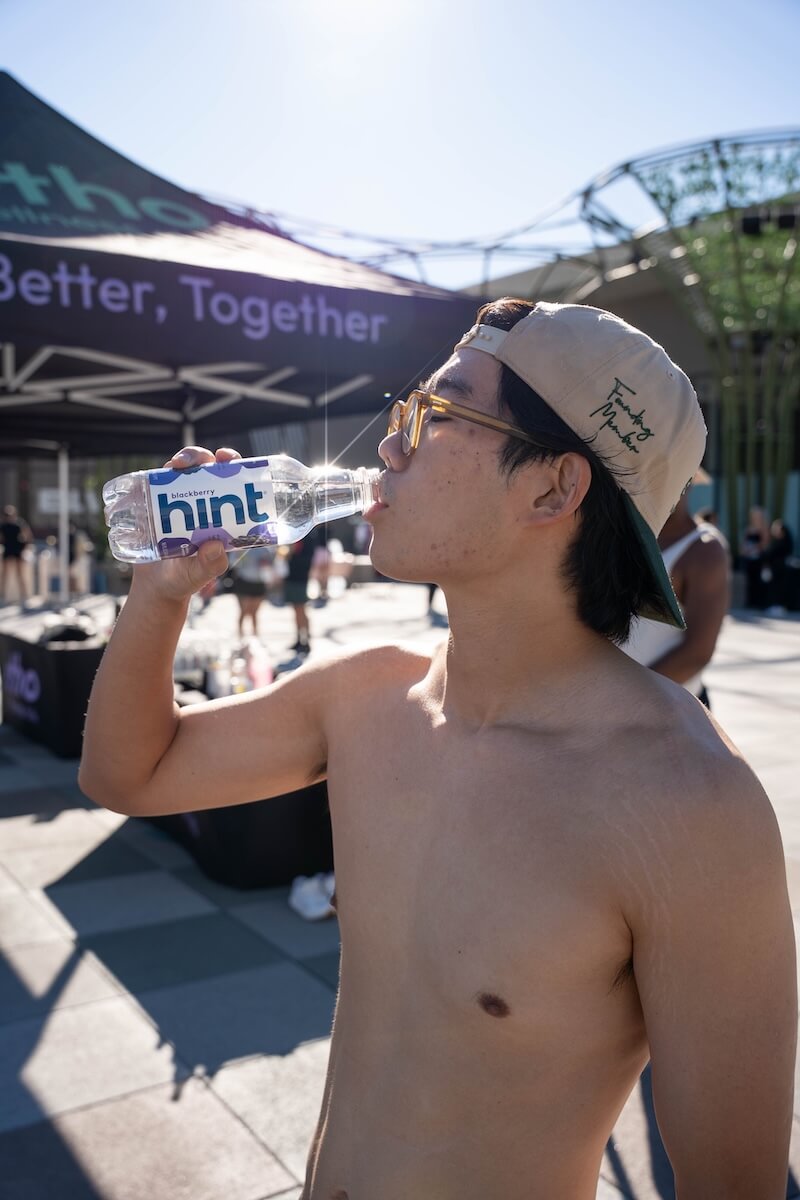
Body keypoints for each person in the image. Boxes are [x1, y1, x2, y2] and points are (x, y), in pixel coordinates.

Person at [79, 299, 796, 1200]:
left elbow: (734, 1184)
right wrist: (160, 595)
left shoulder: (688, 805)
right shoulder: (368, 695)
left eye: (437, 413)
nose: (389, 445)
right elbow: (127, 773)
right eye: (405, 409)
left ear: (554, 489)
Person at [621, 484, 730, 707]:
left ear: (689, 480)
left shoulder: (704, 550)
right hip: (613, 705)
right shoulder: (623, 538)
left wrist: (625, 700)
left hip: (666, 709)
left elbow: (697, 652)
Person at [230, 543, 275, 638]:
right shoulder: (241, 547)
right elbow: (233, 563)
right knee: (243, 611)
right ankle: (241, 635)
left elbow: (271, 563)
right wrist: (240, 558)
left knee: (255, 612)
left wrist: (266, 563)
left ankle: (255, 635)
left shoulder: (265, 548)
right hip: (244, 581)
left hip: (259, 582)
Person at [740, 505, 770, 608]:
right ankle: (750, 602)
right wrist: (745, 550)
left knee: (758, 580)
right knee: (750, 580)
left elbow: (765, 543)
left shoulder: (764, 528)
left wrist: (754, 548)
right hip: (749, 558)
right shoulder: (749, 528)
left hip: (759, 558)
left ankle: (759, 602)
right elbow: (744, 542)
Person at [0, 504, 32, 602]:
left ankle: (24, 596)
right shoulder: (3, 526)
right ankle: (2, 596)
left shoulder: (19, 524)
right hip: (8, 550)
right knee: (5, 575)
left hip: (17, 551)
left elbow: (28, 536)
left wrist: (25, 548)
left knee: (20, 575)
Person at [764, 518, 794, 615]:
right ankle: (773, 605)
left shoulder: (785, 542)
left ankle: (780, 606)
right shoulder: (775, 542)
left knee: (780, 588)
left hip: (781, 569)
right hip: (774, 569)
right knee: (773, 588)